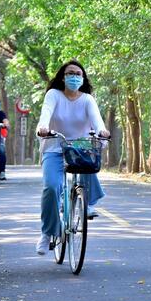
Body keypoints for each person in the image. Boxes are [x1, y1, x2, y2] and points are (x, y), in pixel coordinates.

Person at [35, 60, 110, 255]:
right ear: (63, 76)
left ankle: (87, 204)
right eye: (70, 73)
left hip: (81, 148)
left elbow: (97, 120)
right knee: (51, 187)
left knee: (88, 164)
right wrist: (43, 128)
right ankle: (48, 231)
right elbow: (46, 113)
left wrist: (102, 131)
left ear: (83, 78)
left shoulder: (87, 99)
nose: (74, 76)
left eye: (78, 73)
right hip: (54, 146)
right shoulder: (54, 95)